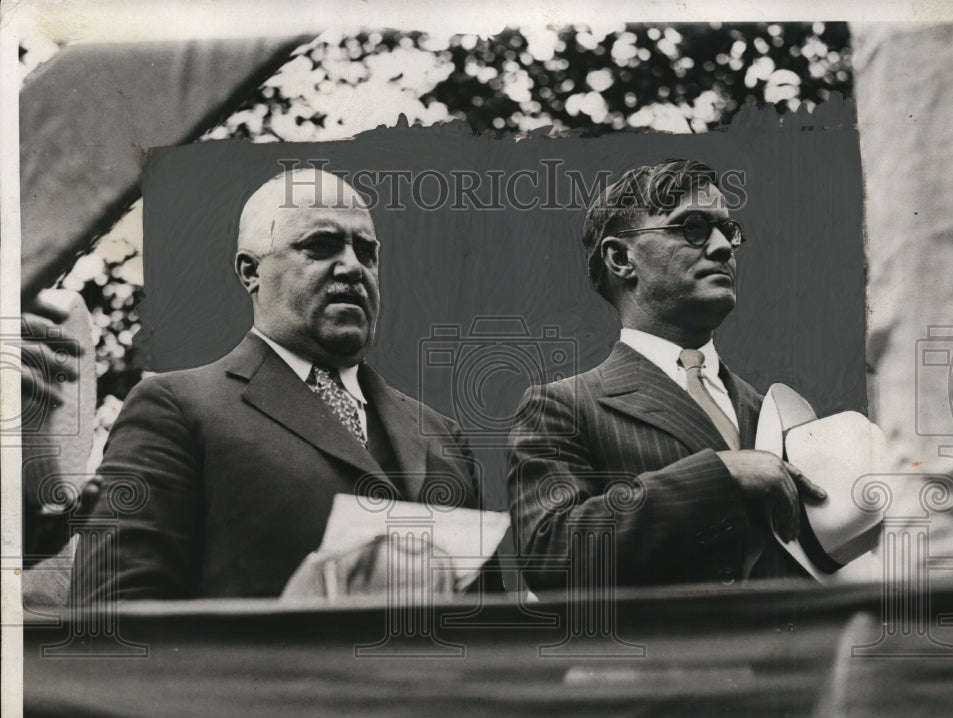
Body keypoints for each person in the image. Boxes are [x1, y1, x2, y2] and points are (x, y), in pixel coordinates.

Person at [72, 167, 482, 601]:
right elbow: (112, 617)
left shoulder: (442, 435)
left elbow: (490, 627)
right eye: (321, 246)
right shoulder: (176, 408)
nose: (352, 267)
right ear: (251, 271)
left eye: (366, 252)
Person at [506, 158, 827, 593]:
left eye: (727, 230)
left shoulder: (773, 412)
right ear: (621, 258)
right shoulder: (565, 405)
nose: (722, 247)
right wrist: (721, 476)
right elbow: (551, 553)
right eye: (692, 227)